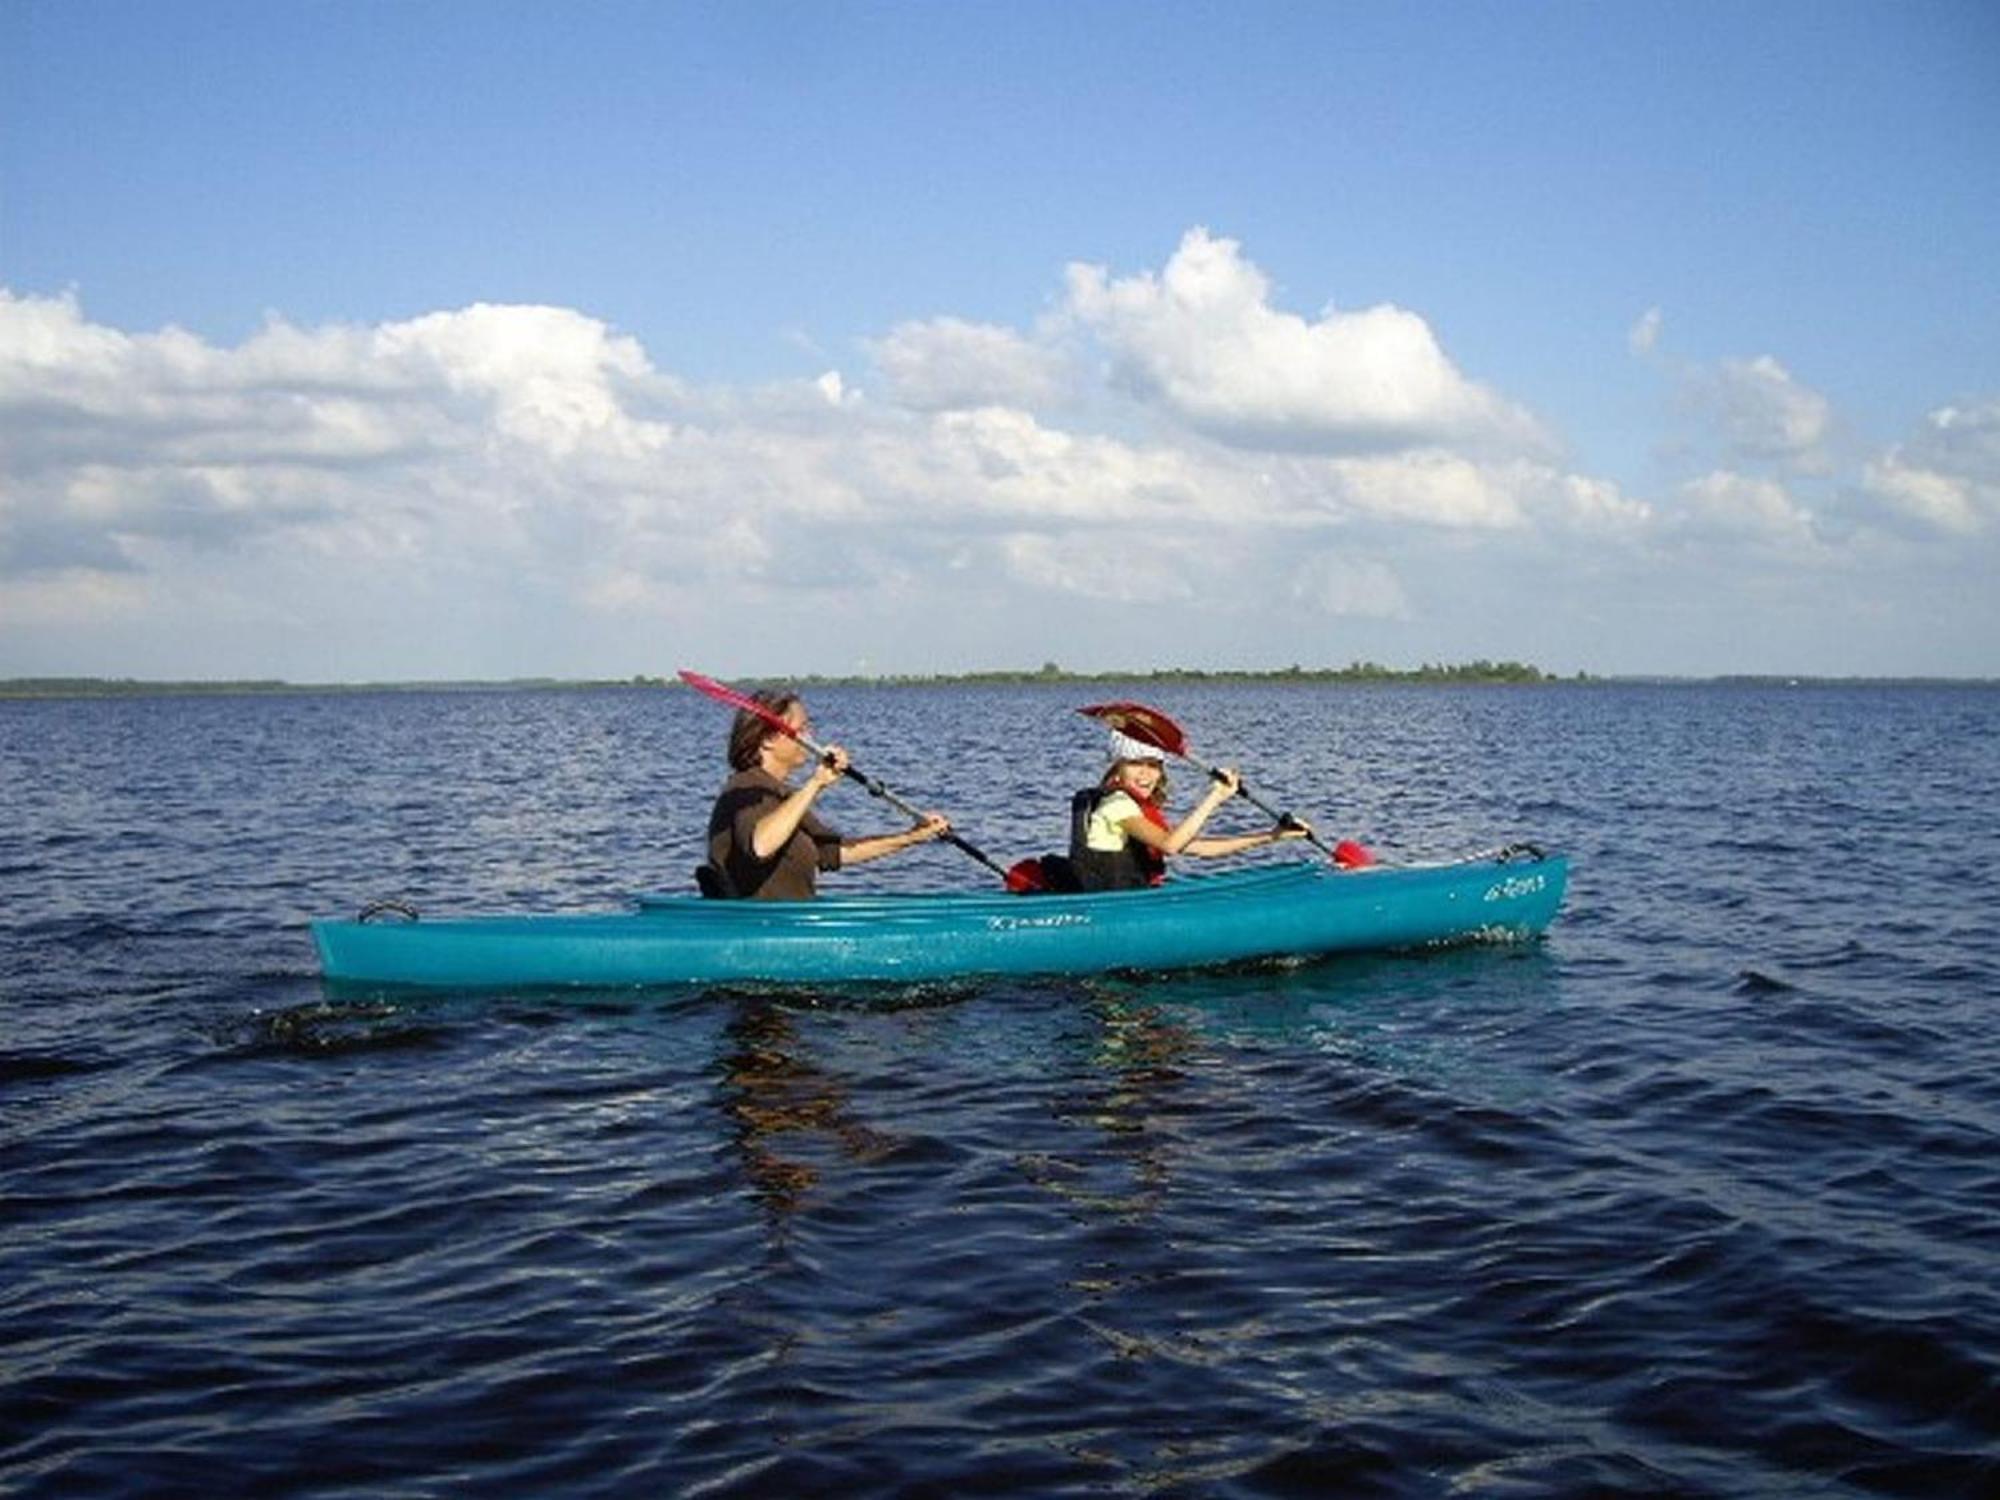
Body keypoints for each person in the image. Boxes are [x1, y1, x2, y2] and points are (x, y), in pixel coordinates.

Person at [703, 689, 952, 899]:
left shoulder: (783, 797)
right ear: (769, 740)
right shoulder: (743, 790)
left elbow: (837, 853)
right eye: (802, 729)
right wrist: (816, 783)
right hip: (760, 935)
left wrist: (910, 837)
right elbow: (760, 845)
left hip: (791, 928)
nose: (809, 738)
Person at [1068, 730, 1311, 891]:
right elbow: (1170, 846)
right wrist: (1215, 797)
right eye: (1135, 764)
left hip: (1130, 898)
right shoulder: (1117, 805)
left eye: (1153, 765)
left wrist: (1273, 835)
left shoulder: (1135, 806)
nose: (1145, 774)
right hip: (1112, 907)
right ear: (1117, 768)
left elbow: (1203, 849)